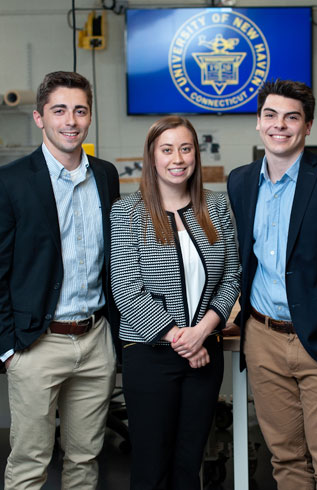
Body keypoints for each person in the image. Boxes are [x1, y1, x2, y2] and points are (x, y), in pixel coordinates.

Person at [226, 79, 317, 489]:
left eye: (292, 117)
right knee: (285, 458)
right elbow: (241, 258)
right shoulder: (240, 182)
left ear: (307, 126)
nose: (280, 125)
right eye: (270, 116)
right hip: (263, 340)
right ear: (258, 122)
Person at [0, 71, 120, 489]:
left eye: (80, 110)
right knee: (31, 462)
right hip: (37, 343)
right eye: (59, 110)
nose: (71, 120)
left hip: (95, 340)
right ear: (39, 118)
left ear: (89, 117)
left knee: (85, 460)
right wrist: (8, 349)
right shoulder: (11, 182)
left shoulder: (105, 175)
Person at [110, 115, 240, 490]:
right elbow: (126, 287)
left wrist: (202, 332)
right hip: (149, 354)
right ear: (152, 157)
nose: (177, 158)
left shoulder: (215, 208)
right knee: (151, 467)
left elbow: (232, 276)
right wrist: (181, 339)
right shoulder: (127, 212)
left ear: (195, 155)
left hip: (205, 352)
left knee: (189, 465)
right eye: (167, 150)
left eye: (185, 148)